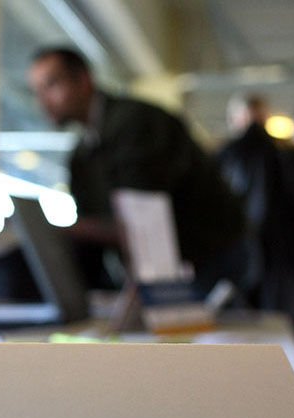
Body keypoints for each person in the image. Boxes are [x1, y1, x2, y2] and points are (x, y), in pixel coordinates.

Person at [26, 47, 244, 295]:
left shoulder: (136, 122)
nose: (43, 101)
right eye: (37, 91)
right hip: (171, 270)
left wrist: (65, 230)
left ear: (84, 80)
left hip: (206, 261)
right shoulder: (81, 156)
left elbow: (141, 219)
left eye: (52, 85)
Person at [218, 94, 294, 319]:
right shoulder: (291, 156)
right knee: (279, 325)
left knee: (235, 328)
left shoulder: (224, 155)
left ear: (235, 119)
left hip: (236, 256)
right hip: (284, 260)